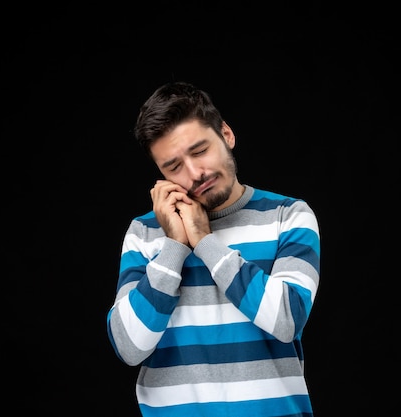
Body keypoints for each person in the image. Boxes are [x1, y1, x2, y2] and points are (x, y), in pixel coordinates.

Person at [106, 81, 321, 417]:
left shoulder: (288, 216)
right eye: (174, 167)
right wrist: (175, 246)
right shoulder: (145, 233)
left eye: (200, 150)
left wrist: (205, 242)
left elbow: (286, 320)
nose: (195, 173)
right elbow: (129, 346)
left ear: (227, 134)